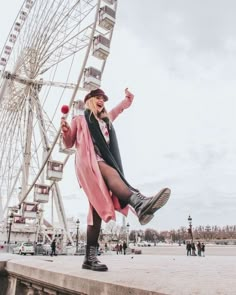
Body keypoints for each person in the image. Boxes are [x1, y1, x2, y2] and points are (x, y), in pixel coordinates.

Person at [61, 88, 171, 272]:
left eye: (103, 98)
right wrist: (65, 131)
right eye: (97, 97)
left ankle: (90, 258)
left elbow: (117, 110)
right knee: (112, 173)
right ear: (89, 100)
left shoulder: (105, 121)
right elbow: (69, 143)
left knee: (95, 214)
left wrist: (127, 101)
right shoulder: (80, 119)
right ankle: (139, 203)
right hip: (89, 164)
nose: (101, 100)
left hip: (102, 162)